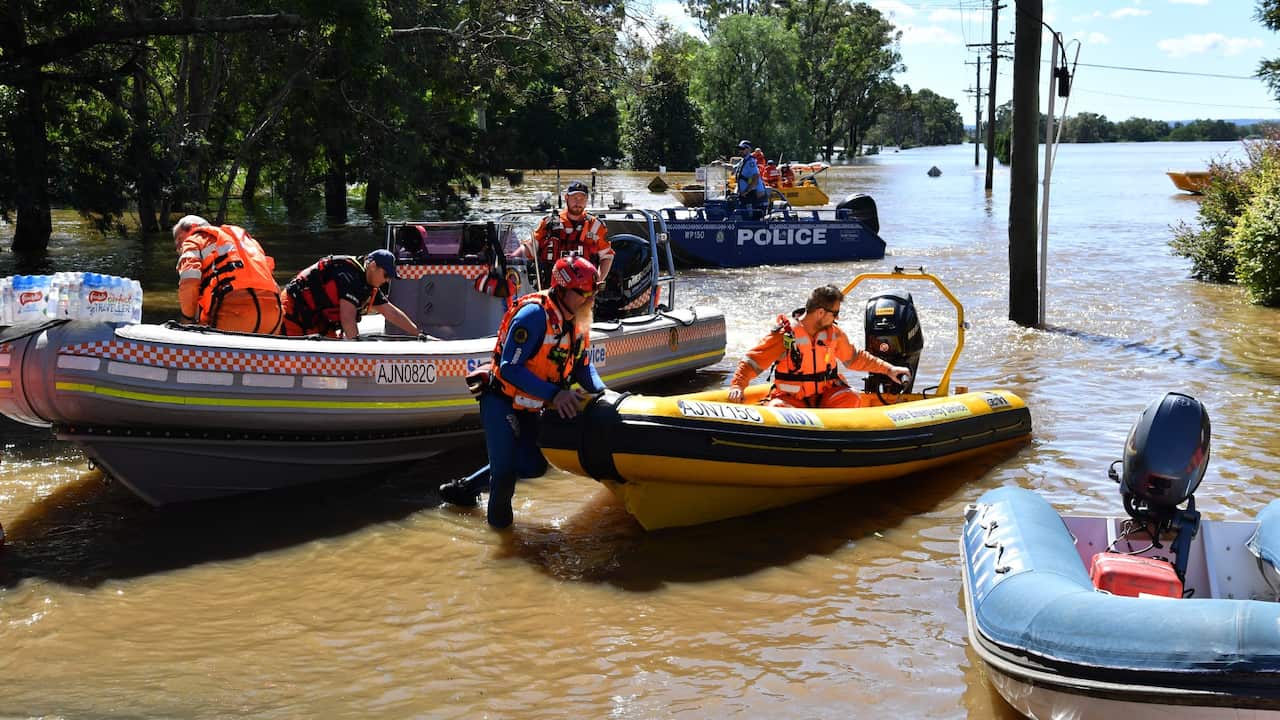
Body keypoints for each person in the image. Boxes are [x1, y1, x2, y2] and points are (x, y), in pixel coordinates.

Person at [438, 255, 608, 529]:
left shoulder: (578, 318)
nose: (590, 298)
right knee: (504, 477)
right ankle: (501, 547)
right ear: (562, 289)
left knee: (535, 465)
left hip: (531, 403)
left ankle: (467, 488)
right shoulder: (534, 316)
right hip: (500, 400)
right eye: (584, 292)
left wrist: (607, 396)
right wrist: (556, 395)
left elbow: (584, 368)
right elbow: (509, 368)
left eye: (593, 292)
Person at [727, 284, 911, 409]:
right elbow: (753, 361)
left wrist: (889, 369)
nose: (837, 318)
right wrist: (737, 385)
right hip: (792, 401)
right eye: (835, 313)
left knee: (852, 397)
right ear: (821, 312)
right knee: (777, 408)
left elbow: (855, 358)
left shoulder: (834, 334)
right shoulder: (785, 334)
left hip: (825, 398)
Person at [172, 215, 283, 334]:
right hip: (274, 314)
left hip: (234, 314)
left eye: (179, 240)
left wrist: (187, 318)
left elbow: (189, 282)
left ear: (191, 228)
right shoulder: (249, 242)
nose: (178, 247)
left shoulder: (194, 239)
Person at [279, 249, 421, 339]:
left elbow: (392, 313)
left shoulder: (369, 284)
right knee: (299, 362)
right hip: (293, 309)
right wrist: (359, 352)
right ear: (372, 266)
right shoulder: (347, 277)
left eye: (390, 277)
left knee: (330, 351)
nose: (387, 280)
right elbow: (347, 319)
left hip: (316, 317)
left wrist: (419, 334)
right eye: (385, 275)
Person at [516, 180, 614, 288]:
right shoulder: (549, 223)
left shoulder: (595, 226)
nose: (578, 202)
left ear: (586, 200)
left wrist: (598, 281)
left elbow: (607, 256)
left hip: (584, 289)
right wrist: (511, 258)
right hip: (552, 287)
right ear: (566, 198)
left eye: (582, 198)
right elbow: (530, 247)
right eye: (575, 198)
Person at [735, 140, 769, 215]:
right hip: (747, 196)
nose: (740, 151)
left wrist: (745, 192)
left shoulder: (751, 162)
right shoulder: (743, 161)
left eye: (742, 149)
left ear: (748, 150)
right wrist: (721, 164)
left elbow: (755, 180)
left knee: (752, 222)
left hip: (753, 197)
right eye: (739, 149)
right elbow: (733, 168)